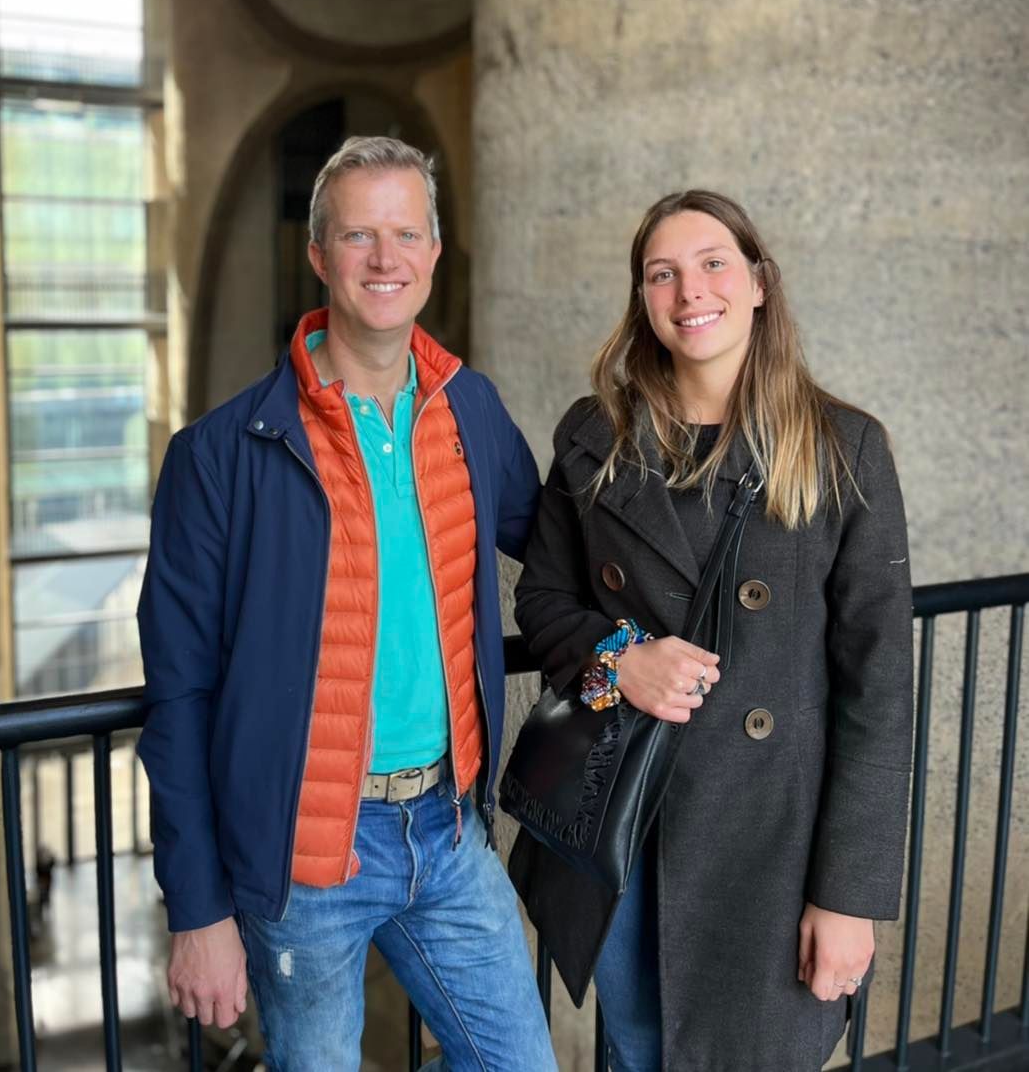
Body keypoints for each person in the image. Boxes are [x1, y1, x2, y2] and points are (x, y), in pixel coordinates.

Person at [137, 136, 557, 1071]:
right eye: (358, 235)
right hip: (303, 860)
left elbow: (560, 548)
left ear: (434, 253)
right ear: (320, 255)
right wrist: (197, 909)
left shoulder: (469, 409)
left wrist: (636, 636)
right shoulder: (220, 455)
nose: (384, 257)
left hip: (449, 827)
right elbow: (178, 696)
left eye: (406, 233)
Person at [509, 189, 913, 1071]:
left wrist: (849, 895)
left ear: (759, 283)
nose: (690, 290)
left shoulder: (842, 448)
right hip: (625, 824)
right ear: (643, 299)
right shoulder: (596, 436)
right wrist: (620, 659)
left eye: (713, 263)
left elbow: (878, 693)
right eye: (663, 273)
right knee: (638, 1049)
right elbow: (540, 602)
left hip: (774, 850)